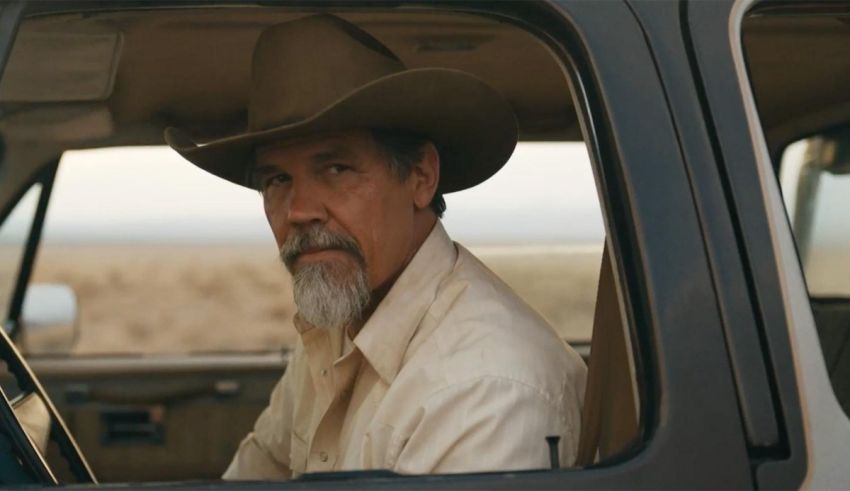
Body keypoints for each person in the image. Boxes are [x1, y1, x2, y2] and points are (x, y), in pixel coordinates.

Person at [166, 14, 586, 478]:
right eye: (277, 179)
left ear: (421, 177)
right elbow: (258, 470)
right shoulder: (335, 329)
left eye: (336, 169)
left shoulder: (485, 390)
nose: (299, 210)